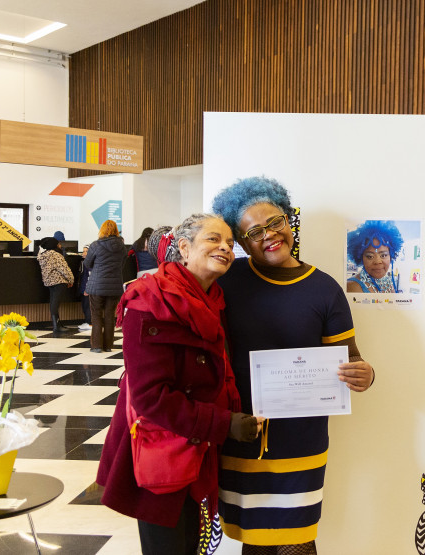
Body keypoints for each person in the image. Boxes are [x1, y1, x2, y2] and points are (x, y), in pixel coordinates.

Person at [212, 176, 375, 555]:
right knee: (255, 541)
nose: (269, 235)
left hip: (302, 440)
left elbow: (352, 359)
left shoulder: (324, 288)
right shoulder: (228, 282)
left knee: (296, 538)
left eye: (275, 222)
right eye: (254, 231)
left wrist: (365, 374)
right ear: (240, 241)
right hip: (241, 433)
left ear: (289, 221)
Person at [97, 213, 262, 555]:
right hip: (161, 450)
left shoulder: (213, 300)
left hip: (199, 449)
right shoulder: (149, 300)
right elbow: (150, 398)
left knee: (192, 543)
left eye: (230, 243)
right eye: (213, 239)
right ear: (184, 247)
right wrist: (224, 423)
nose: (225, 248)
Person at [83, 220, 125, 353]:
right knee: (109, 316)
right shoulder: (122, 247)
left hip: (97, 285)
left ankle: (96, 346)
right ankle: (108, 346)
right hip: (114, 286)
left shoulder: (95, 245)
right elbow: (122, 264)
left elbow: (87, 263)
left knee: (96, 315)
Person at [345, 220, 403, 293]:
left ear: (391, 256)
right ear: (361, 257)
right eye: (370, 256)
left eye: (383, 255)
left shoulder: (389, 282)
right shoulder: (351, 287)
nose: (377, 261)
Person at [36, 236, 74, 335]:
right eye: (58, 244)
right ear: (54, 245)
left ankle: (57, 324)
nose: (60, 245)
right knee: (55, 303)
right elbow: (64, 269)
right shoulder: (55, 255)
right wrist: (71, 280)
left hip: (49, 282)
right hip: (59, 281)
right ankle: (56, 326)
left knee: (53, 302)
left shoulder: (42, 255)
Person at [78, 245, 92, 331]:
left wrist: (86, 289)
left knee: (87, 306)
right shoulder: (84, 262)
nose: (84, 253)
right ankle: (87, 321)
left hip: (87, 288)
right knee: (85, 305)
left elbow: (88, 277)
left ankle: (89, 322)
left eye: (86, 251)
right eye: (83, 251)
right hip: (85, 287)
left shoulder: (88, 263)